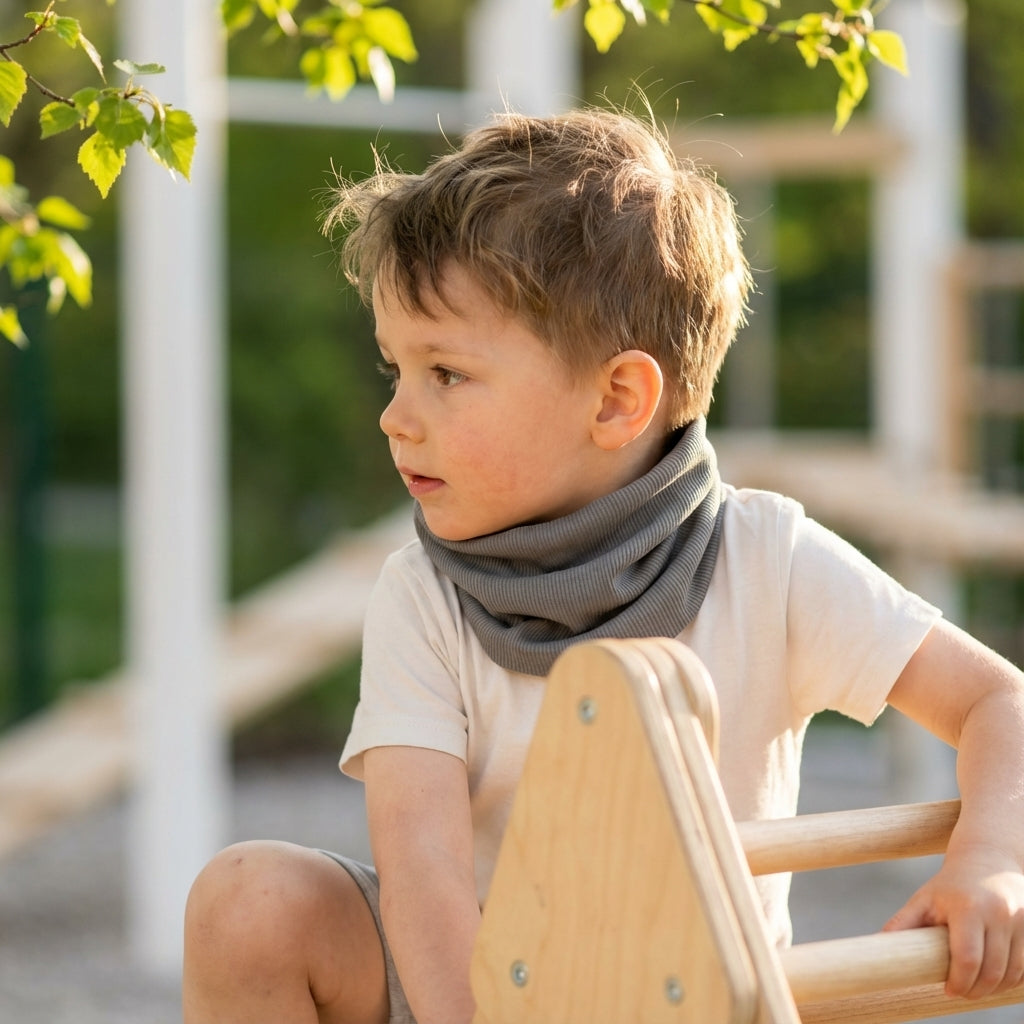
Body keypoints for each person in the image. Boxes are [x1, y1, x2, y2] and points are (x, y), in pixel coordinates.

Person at [182, 106, 1024, 1024]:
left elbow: (999, 701)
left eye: (447, 375)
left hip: (684, 995)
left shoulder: (766, 559)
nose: (397, 415)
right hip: (473, 987)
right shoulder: (425, 596)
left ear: (618, 400)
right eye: (396, 370)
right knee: (250, 902)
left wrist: (991, 857)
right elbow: (424, 874)